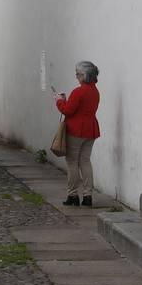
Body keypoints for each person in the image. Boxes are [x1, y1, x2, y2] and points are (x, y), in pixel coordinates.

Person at [55, 61, 101, 206]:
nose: (76, 77)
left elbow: (68, 110)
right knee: (85, 162)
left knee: (72, 162)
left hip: (75, 130)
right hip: (91, 129)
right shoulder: (95, 91)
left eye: (77, 74)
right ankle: (88, 196)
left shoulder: (79, 91)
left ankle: (73, 195)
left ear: (83, 75)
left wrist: (59, 101)